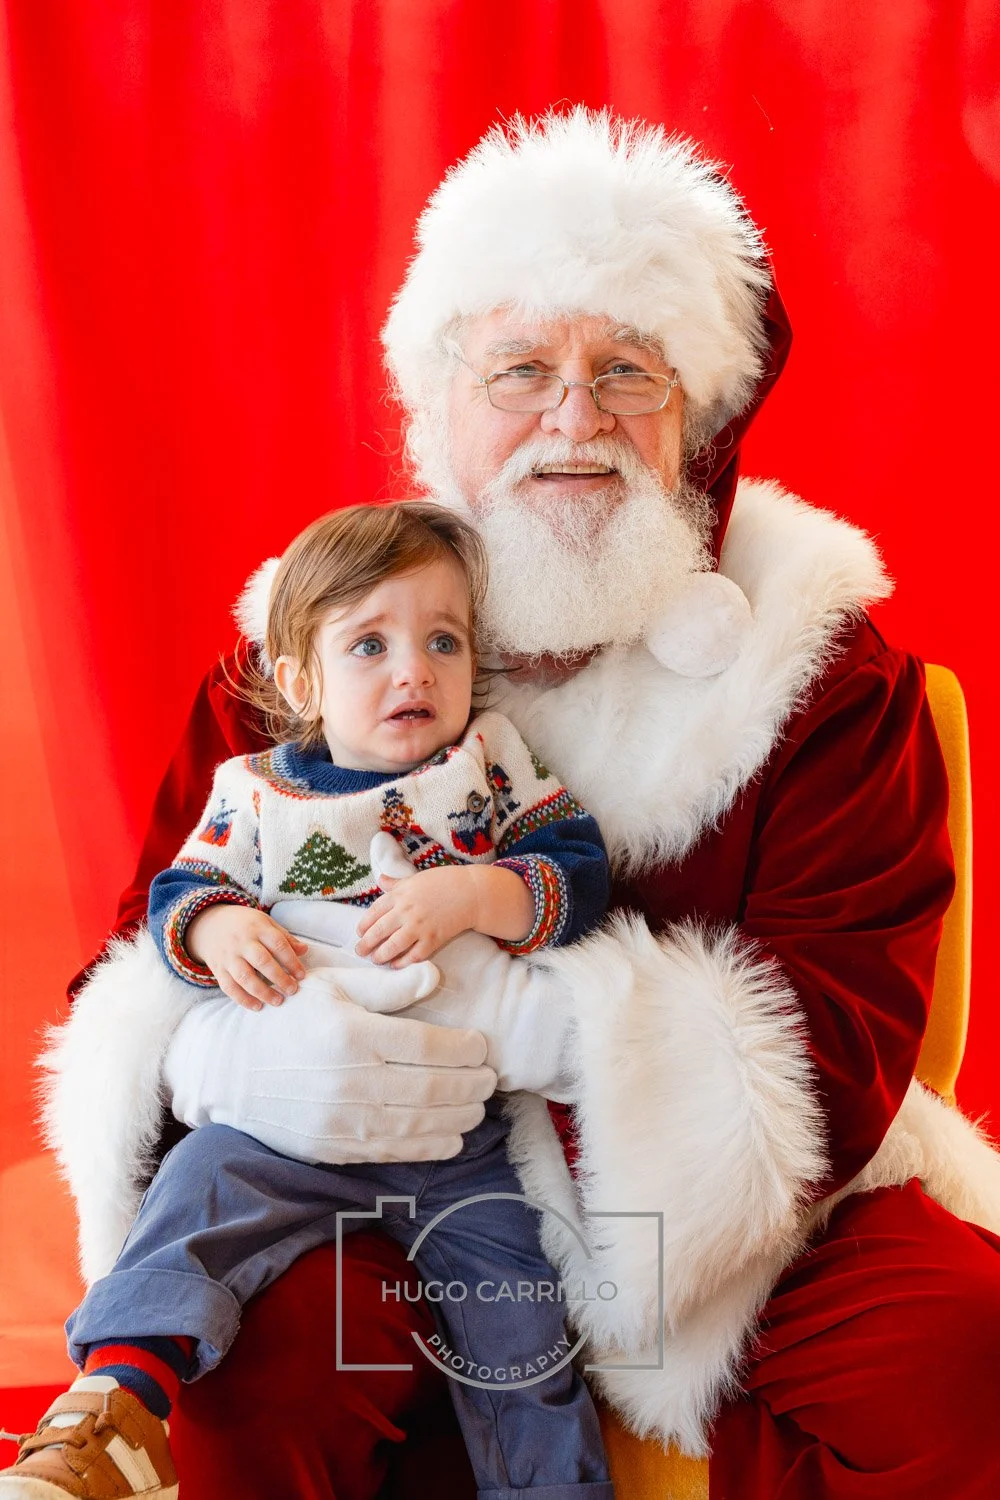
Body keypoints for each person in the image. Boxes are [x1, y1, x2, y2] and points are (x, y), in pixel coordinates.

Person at [35, 109, 1000, 1498]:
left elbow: (839, 1037)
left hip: (740, 1234)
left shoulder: (823, 678)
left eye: (627, 371)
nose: (574, 416)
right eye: (523, 367)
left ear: (697, 417)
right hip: (365, 1184)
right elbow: (141, 957)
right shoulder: (301, 664)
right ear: (439, 406)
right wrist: (228, 1063)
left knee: (968, 1366)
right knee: (265, 1369)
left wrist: (548, 1032)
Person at [3, 501, 614, 1499]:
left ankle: (551, 1485)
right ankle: (116, 1404)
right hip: (284, 1132)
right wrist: (216, 927)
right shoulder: (254, 791)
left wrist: (476, 890)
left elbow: (577, 871)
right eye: (369, 644)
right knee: (196, 1187)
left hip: (457, 1146)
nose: (413, 669)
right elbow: (177, 891)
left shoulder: (490, 761)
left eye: (443, 640)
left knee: (521, 1327)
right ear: (300, 680)